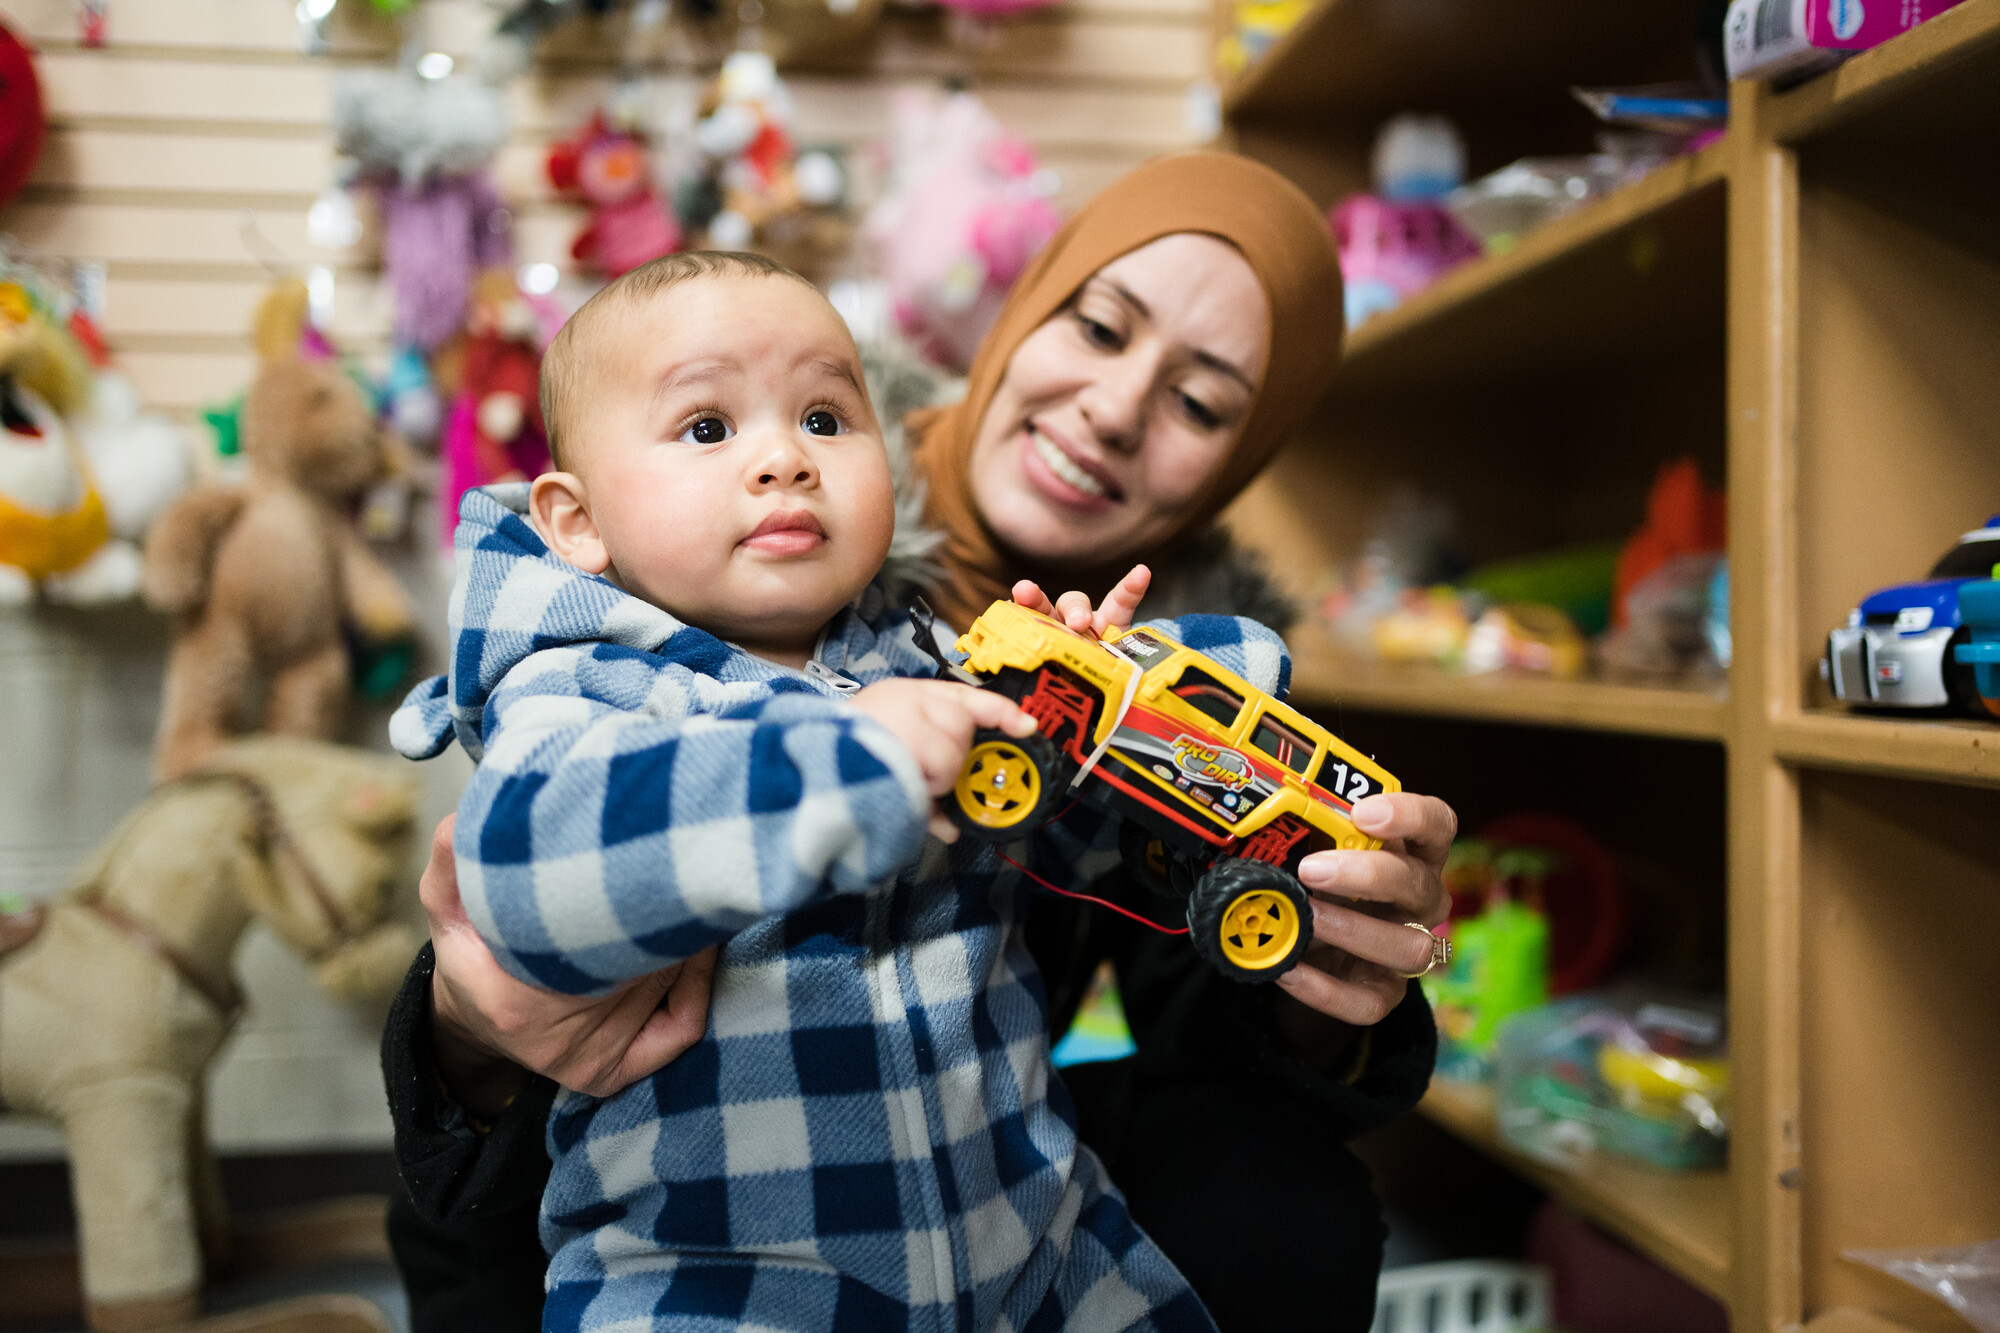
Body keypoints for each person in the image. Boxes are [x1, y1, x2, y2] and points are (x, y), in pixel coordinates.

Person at [381, 152, 1454, 1331]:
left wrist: (1318, 905)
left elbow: (1138, 904)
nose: (1114, 406)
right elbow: (541, 865)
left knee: (1270, 1214)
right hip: (717, 1258)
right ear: (575, 523)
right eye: (1099, 326)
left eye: (1200, 402)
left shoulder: (916, 650)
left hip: (994, 1222)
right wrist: (472, 1040)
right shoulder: (602, 673)